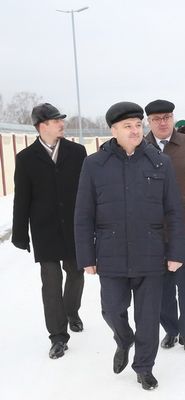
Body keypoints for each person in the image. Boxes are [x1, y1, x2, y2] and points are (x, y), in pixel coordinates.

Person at [74, 101, 185, 390]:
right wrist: (87, 256)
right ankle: (124, 339)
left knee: (148, 317)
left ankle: (144, 367)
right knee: (111, 309)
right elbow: (83, 215)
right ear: (113, 130)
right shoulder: (94, 164)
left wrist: (176, 252)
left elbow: (174, 211)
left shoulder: (159, 162)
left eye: (138, 125)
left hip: (151, 253)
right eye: (128, 126)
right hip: (110, 253)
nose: (135, 130)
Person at [11, 103, 87, 359]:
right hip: (44, 230)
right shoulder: (26, 158)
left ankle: (71, 311)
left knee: (76, 273)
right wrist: (20, 233)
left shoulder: (77, 152)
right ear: (42, 126)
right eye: (56, 121)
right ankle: (57, 336)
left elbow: (88, 192)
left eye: (61, 120)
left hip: (74, 227)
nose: (62, 124)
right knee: (51, 282)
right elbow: (22, 198)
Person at [144, 100, 185, 352]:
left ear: (173, 118)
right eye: (156, 119)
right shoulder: (140, 146)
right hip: (153, 229)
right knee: (161, 284)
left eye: (166, 117)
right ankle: (170, 329)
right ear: (149, 122)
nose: (162, 122)